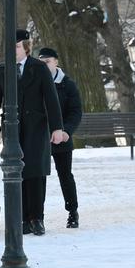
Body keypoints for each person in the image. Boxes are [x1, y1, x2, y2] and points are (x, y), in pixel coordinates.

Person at [0, 30, 67, 236]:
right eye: (11, 46)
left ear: (26, 47)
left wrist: (57, 127)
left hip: (36, 128)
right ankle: (22, 219)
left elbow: (51, 98)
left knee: (35, 172)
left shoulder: (39, 68)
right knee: (15, 173)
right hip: (12, 129)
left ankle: (37, 218)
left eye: (18, 46)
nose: (14, 50)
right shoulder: (3, 69)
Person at [37, 47, 83, 228]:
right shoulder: (35, 82)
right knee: (38, 176)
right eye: (41, 62)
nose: (44, 65)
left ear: (56, 62)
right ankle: (37, 216)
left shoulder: (67, 84)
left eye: (47, 61)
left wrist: (66, 132)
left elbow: (75, 111)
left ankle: (72, 212)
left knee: (65, 175)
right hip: (40, 137)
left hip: (62, 137)